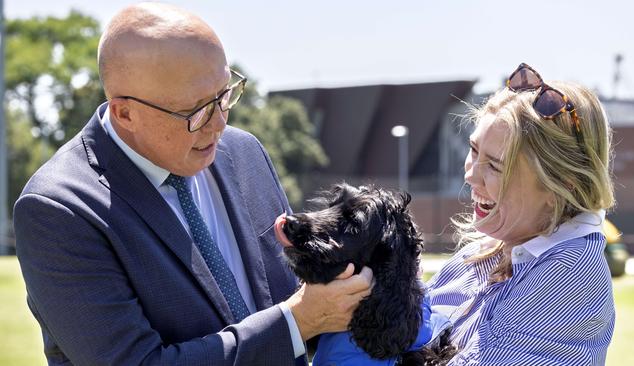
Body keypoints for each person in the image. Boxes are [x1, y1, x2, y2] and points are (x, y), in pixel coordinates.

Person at [13, 3, 372, 365]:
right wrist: (296, 323)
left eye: (224, 95)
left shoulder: (244, 152)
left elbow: (299, 296)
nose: (218, 124)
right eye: (195, 110)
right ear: (125, 113)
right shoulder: (59, 209)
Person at [425, 63, 616, 365]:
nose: (471, 176)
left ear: (560, 188)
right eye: (474, 151)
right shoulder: (482, 252)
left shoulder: (569, 275)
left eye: (496, 166)